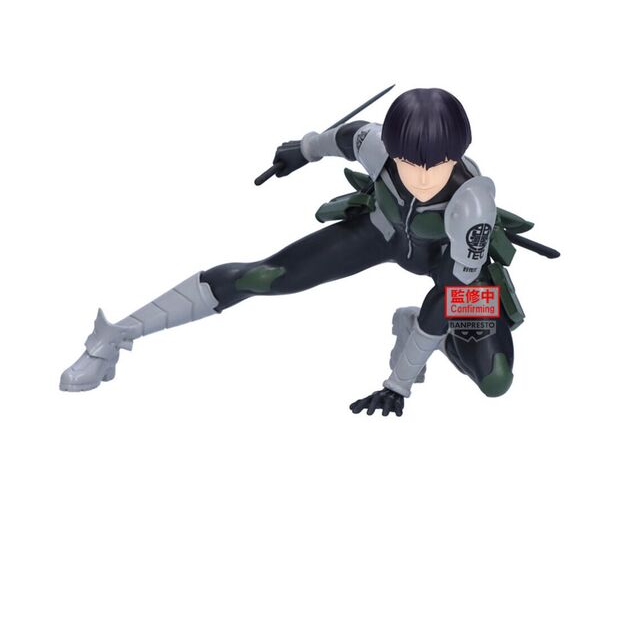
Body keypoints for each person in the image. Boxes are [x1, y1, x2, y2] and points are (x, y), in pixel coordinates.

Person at [60, 88, 518, 416]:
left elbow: (449, 297)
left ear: (458, 154)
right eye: (409, 163)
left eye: (439, 164)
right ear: (393, 150)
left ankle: (412, 328)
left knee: (495, 379)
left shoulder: (471, 205)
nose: (423, 178)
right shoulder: (377, 144)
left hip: (448, 262)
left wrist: (398, 383)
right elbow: (346, 136)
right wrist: (304, 149)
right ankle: (115, 336)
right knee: (264, 276)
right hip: (383, 230)